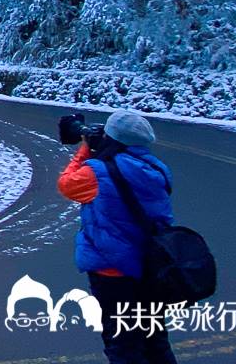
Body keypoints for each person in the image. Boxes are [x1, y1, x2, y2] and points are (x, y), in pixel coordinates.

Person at [57, 109, 178, 364]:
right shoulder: (157, 168)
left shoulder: (97, 172)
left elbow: (66, 185)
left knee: (122, 343)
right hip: (152, 267)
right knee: (154, 337)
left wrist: (85, 150)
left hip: (113, 273)